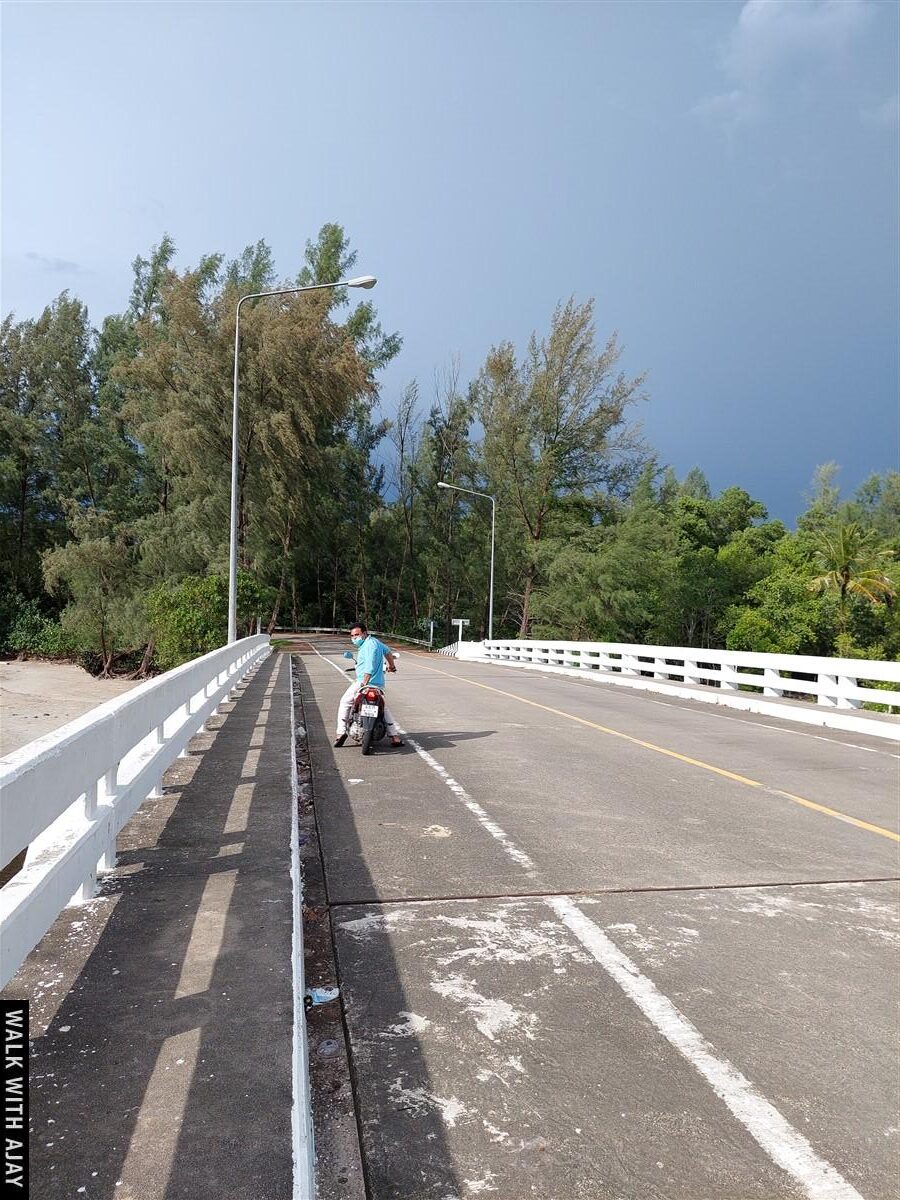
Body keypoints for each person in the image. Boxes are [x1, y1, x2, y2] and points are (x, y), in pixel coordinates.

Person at [334, 621, 404, 748]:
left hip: (364, 681)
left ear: (365, 633)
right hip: (378, 684)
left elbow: (370, 667)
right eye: (352, 636)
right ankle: (394, 736)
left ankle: (340, 732)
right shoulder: (376, 642)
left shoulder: (369, 645)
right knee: (383, 707)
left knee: (345, 702)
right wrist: (392, 666)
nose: (354, 638)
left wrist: (364, 683)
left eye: (357, 635)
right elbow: (388, 652)